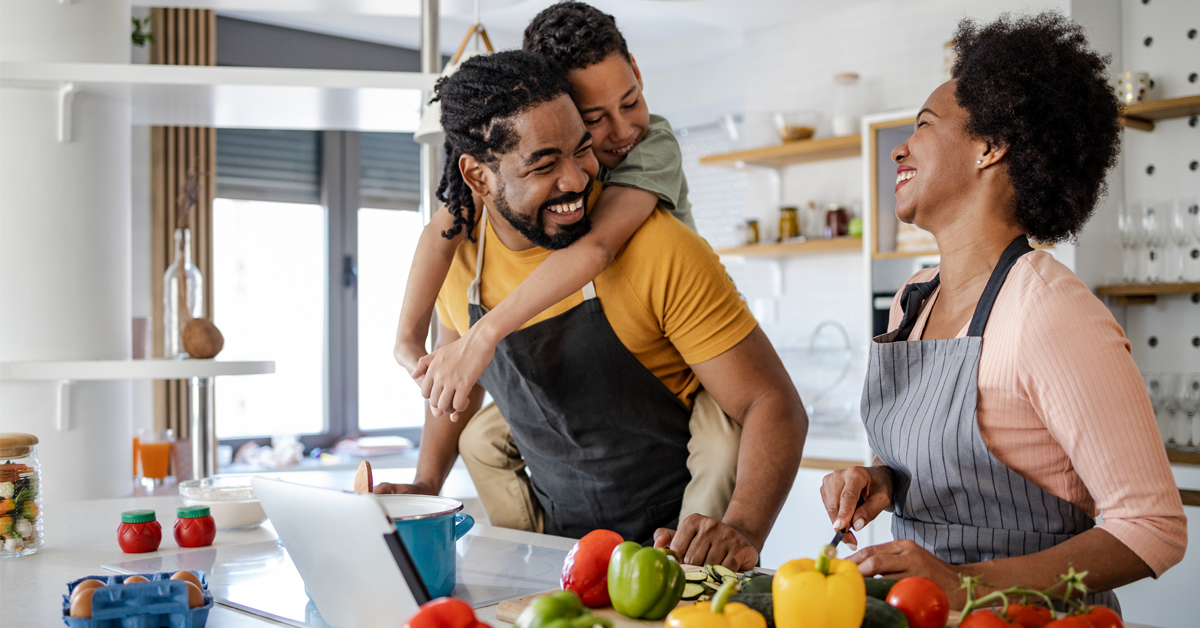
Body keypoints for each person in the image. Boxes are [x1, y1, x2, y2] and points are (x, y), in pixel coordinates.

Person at [376, 50, 807, 571]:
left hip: (678, 549)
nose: (577, 180)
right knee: (480, 438)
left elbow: (774, 404)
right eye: (544, 164)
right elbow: (455, 383)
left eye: (582, 149)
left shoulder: (659, 249)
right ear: (478, 177)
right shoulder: (458, 255)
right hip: (559, 553)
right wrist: (425, 485)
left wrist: (740, 528)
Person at [820, 14, 1185, 611]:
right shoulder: (912, 300)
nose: (899, 150)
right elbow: (936, 463)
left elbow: (1154, 527)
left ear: (990, 148)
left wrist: (969, 584)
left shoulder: (1049, 311)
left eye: (923, 127)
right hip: (920, 615)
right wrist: (880, 481)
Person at [393, 1, 742, 532]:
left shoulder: (652, 148)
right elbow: (443, 225)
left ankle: (697, 559)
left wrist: (484, 335)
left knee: (721, 449)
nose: (621, 131)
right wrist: (405, 342)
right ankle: (531, 553)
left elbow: (596, 250)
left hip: (693, 370)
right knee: (481, 439)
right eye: (594, 119)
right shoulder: (480, 216)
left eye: (630, 102)